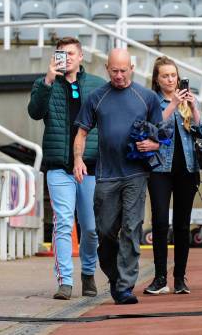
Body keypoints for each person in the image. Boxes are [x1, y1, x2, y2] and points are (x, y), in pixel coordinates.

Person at [73, 48, 163, 305]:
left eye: (124, 70)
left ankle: (124, 287)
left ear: (132, 68)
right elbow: (81, 133)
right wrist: (78, 159)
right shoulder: (96, 98)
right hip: (106, 175)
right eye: (115, 71)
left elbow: (162, 136)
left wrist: (154, 145)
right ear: (107, 69)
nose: (120, 75)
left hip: (136, 174)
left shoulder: (147, 97)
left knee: (131, 229)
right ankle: (115, 275)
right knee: (104, 231)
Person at [27, 37, 105, 300]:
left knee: (91, 227)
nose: (67, 58)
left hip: (90, 167)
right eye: (62, 54)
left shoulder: (97, 85)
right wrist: (48, 81)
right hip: (59, 167)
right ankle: (66, 282)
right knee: (62, 222)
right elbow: (35, 113)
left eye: (71, 53)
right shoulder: (44, 84)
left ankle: (88, 273)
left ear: (81, 56)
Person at [143, 56, 202, 296]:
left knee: (182, 224)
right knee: (159, 222)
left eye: (173, 75)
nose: (171, 80)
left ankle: (180, 277)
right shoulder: (152, 102)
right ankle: (160, 278)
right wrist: (172, 104)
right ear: (157, 80)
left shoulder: (187, 100)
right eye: (165, 76)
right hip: (160, 170)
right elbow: (152, 130)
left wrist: (194, 109)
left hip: (187, 169)